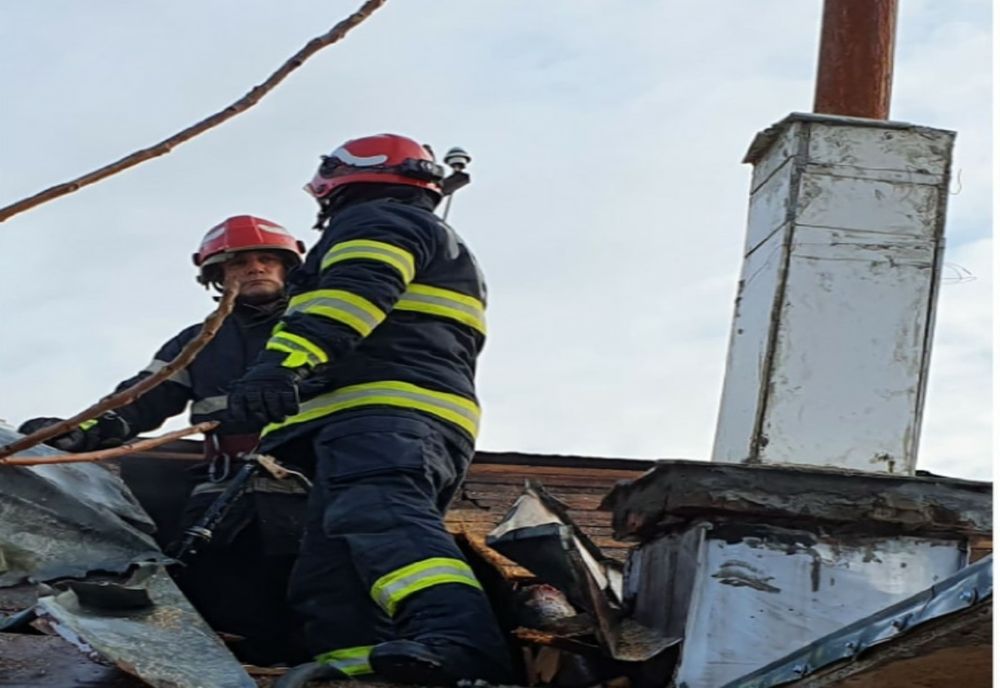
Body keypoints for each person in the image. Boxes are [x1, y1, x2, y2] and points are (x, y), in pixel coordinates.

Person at [222, 134, 512, 686]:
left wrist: (283, 363)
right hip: (375, 418)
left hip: (384, 412)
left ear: (343, 179)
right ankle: (357, 667)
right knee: (330, 569)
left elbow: (354, 294)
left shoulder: (380, 221)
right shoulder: (415, 229)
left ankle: (460, 642)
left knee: (384, 521)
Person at [18, 215, 309, 665]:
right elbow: (141, 400)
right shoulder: (200, 340)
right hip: (227, 485)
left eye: (267, 259)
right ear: (218, 277)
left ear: (287, 267)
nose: (255, 269)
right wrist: (74, 431)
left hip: (315, 475)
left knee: (324, 580)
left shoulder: (321, 323)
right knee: (208, 577)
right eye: (239, 263)